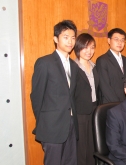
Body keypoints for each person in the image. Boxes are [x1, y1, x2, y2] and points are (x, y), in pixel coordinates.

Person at [30, 20, 79, 165]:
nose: (70, 41)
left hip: (70, 125)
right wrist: (44, 123)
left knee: (71, 162)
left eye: (73, 37)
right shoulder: (45, 62)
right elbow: (36, 97)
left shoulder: (73, 66)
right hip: (51, 127)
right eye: (65, 37)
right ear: (56, 39)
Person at [73, 33, 99, 165]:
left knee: (92, 146)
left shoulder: (95, 67)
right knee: (81, 148)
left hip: (94, 110)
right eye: (86, 47)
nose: (89, 51)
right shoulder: (72, 68)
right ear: (78, 47)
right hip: (80, 113)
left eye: (92, 47)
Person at [96, 28, 126, 104]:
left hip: (125, 103)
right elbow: (105, 87)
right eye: (116, 39)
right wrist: (117, 105)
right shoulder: (102, 60)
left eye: (122, 40)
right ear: (109, 41)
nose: (119, 42)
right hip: (109, 104)